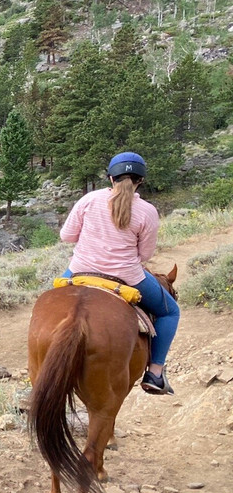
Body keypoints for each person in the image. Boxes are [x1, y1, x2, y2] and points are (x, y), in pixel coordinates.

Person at [60, 152, 180, 395]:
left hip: (80, 269)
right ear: (141, 180)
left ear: (110, 178)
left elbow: (67, 236)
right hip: (127, 277)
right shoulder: (147, 211)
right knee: (170, 312)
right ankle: (155, 373)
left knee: (49, 302)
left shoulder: (90, 199)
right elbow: (145, 254)